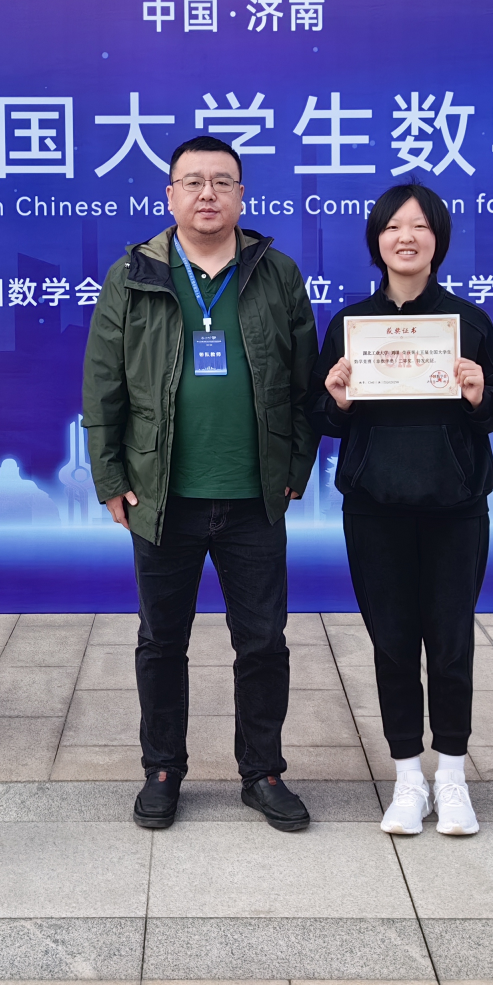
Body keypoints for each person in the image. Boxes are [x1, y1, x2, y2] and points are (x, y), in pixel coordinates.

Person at [83, 135, 320, 833]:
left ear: (242, 195)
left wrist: (295, 472)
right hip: (163, 497)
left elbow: (305, 384)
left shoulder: (276, 273)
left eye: (222, 181)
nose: (207, 194)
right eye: (192, 182)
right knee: (161, 642)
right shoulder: (133, 276)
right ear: (171, 195)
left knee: (263, 642)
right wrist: (110, 478)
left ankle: (263, 771)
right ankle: (163, 769)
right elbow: (103, 386)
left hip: (254, 497)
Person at [315, 183, 493, 838]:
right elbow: (319, 416)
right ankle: (409, 778)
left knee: (452, 642)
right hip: (374, 511)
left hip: (455, 511)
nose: (406, 237)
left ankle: (453, 777)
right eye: (393, 227)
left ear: (439, 240)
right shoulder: (350, 325)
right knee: (393, 644)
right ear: (376, 241)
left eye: (420, 226)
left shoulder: (468, 322)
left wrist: (479, 394)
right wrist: (338, 399)